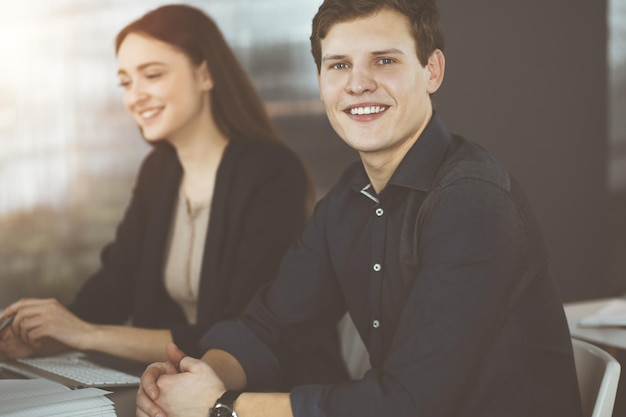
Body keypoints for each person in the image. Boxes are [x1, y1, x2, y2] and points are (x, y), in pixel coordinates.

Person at [136, 0, 583, 416]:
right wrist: (198, 377)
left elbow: (409, 403)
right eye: (339, 65)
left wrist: (223, 407)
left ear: (432, 70)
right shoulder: (350, 198)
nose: (357, 83)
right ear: (321, 81)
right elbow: (271, 326)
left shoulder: (473, 200)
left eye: (384, 60)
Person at [0, 4, 348, 385]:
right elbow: (114, 286)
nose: (135, 96)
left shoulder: (270, 171)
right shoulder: (159, 172)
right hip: (182, 390)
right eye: (126, 82)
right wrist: (43, 337)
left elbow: (244, 330)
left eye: (152, 74)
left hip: (272, 394)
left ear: (205, 74)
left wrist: (85, 334)